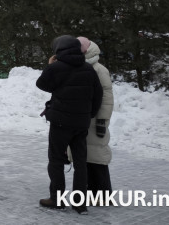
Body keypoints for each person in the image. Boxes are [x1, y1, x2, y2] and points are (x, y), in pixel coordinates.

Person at [35, 35, 103, 215]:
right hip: (81, 123)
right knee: (81, 162)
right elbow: (98, 95)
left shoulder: (56, 68)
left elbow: (42, 84)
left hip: (60, 123)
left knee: (56, 160)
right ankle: (80, 204)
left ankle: (57, 200)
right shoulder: (88, 69)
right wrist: (89, 115)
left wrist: (50, 66)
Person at [77, 36, 114, 193]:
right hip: (83, 119)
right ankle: (90, 191)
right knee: (85, 158)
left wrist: (102, 121)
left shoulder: (99, 69)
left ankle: (103, 193)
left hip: (95, 120)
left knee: (97, 157)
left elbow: (107, 99)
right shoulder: (80, 67)